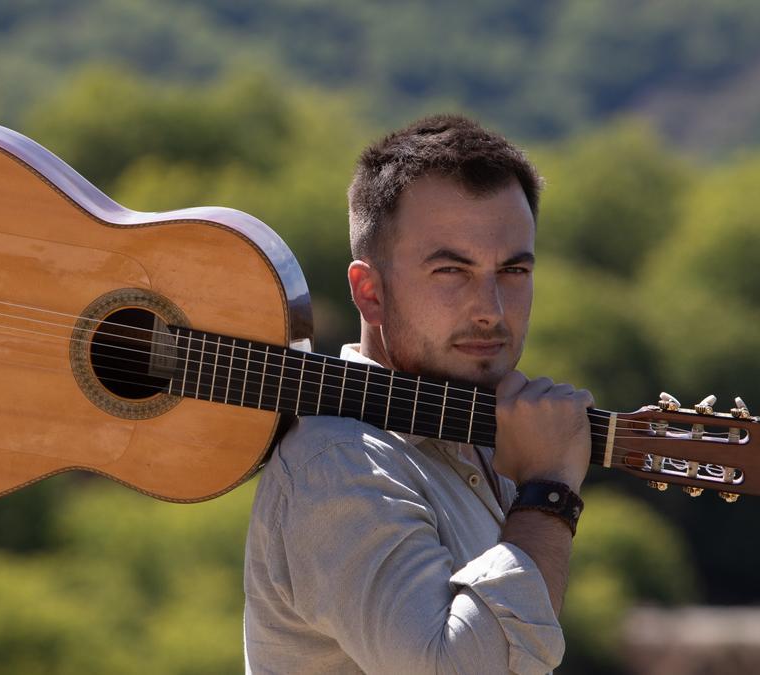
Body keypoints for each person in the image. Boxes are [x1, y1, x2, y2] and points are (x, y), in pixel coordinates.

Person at [243, 114, 595, 674]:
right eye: (452, 270)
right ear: (370, 292)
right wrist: (548, 495)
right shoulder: (337, 461)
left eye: (513, 271)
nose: (491, 309)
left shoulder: (488, 439)